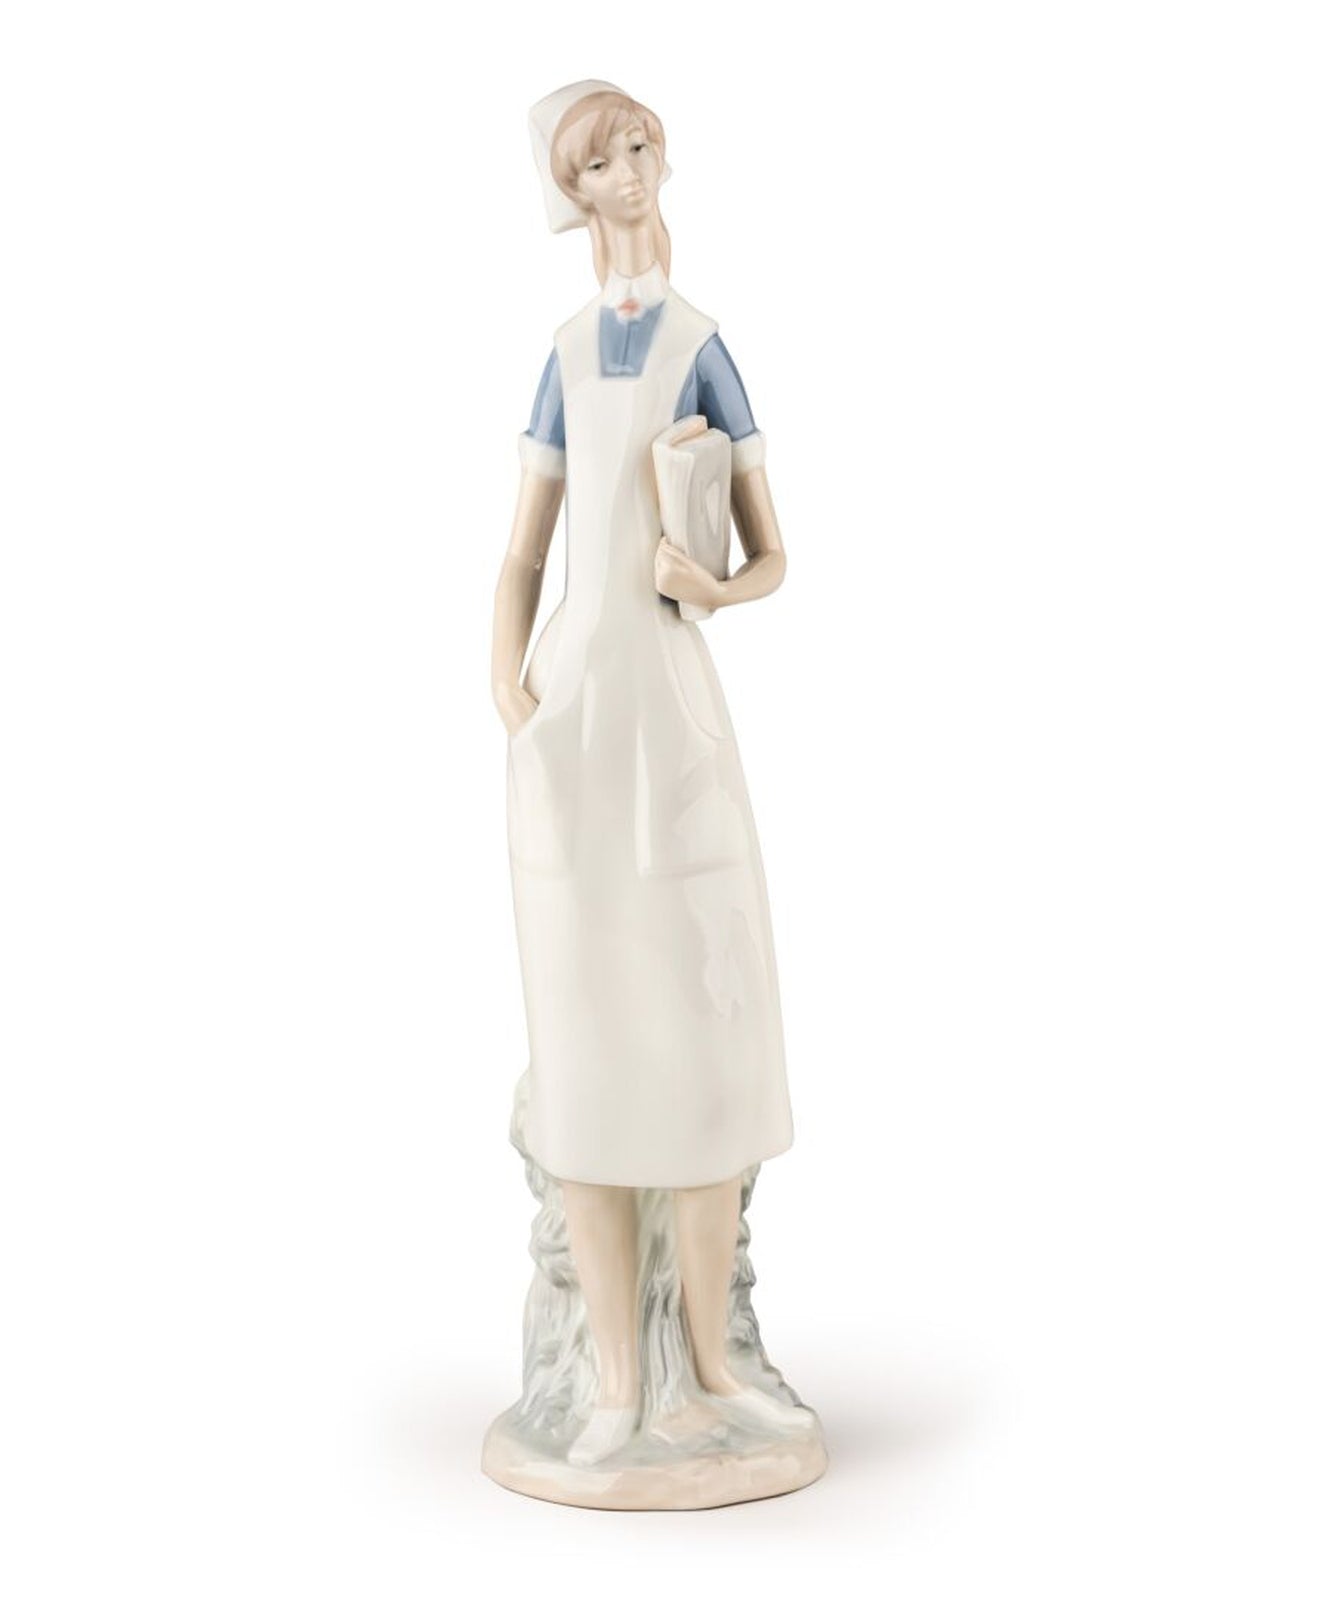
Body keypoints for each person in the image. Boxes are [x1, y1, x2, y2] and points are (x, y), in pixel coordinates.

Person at [491, 82, 811, 1467]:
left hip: (672, 715)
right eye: (597, 160)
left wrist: (711, 585)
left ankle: (712, 1368)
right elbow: (523, 549)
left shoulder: (699, 346)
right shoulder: (567, 352)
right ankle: (614, 1381)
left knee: (700, 1022)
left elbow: (773, 551)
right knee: (585, 1029)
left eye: (635, 148)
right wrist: (507, 683)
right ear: (571, 193)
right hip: (576, 712)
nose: (625, 172)